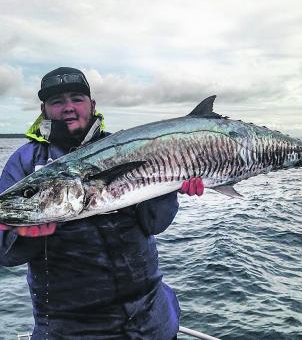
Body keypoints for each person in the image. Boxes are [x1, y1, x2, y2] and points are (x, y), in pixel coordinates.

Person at [0, 67, 204, 340]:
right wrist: (25, 235)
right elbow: (6, 252)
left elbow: (154, 224)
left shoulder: (127, 147)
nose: (68, 107)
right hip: (70, 327)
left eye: (76, 98)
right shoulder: (25, 162)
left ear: (92, 104)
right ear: (44, 109)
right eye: (57, 101)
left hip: (150, 318)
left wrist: (171, 187)